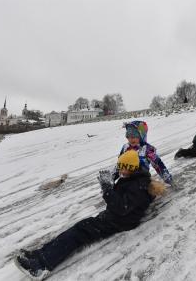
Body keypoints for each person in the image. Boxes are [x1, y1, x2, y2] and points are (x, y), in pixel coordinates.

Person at [14, 150, 165, 280]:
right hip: (115, 217)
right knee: (79, 227)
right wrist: (111, 185)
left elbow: (121, 207)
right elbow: (122, 200)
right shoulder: (134, 179)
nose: (120, 171)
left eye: (123, 168)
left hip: (119, 222)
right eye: (120, 168)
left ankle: (41, 266)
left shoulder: (138, 185)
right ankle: (38, 255)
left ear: (131, 168)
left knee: (79, 232)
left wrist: (107, 189)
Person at [115, 120, 173, 186]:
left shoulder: (147, 149)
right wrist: (113, 178)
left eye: (134, 136)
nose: (130, 139)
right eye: (128, 136)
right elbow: (119, 164)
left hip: (141, 181)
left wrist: (169, 180)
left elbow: (159, 166)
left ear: (142, 135)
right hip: (126, 179)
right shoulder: (125, 147)